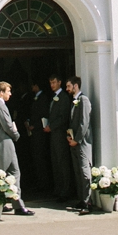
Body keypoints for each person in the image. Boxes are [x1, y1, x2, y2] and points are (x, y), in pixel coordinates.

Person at [0, 82, 34, 216]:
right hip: (5, 144)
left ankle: (1, 203)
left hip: (0, 144)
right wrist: (17, 135)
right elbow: (8, 126)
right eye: (8, 91)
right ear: (1, 92)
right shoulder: (0, 106)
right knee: (13, 173)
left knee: (3, 175)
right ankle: (18, 206)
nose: (10, 94)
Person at [66, 76, 93, 214]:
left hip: (82, 143)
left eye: (68, 86)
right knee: (77, 172)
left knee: (84, 172)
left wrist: (77, 139)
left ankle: (88, 202)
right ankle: (82, 199)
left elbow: (84, 123)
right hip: (74, 142)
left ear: (76, 86)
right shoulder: (74, 101)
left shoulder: (84, 100)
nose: (67, 89)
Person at [46, 74, 74, 202]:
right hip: (53, 136)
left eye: (54, 82)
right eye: (50, 83)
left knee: (63, 163)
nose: (52, 85)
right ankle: (58, 189)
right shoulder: (53, 97)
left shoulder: (64, 98)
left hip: (61, 135)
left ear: (59, 82)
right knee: (55, 161)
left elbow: (63, 117)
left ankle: (65, 191)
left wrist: (52, 127)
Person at [27, 81, 52, 194]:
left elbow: (43, 114)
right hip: (35, 133)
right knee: (37, 158)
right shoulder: (36, 97)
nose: (32, 87)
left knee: (40, 157)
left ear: (36, 85)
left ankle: (44, 185)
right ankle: (40, 183)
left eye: (33, 85)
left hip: (40, 133)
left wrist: (35, 125)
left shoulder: (43, 98)